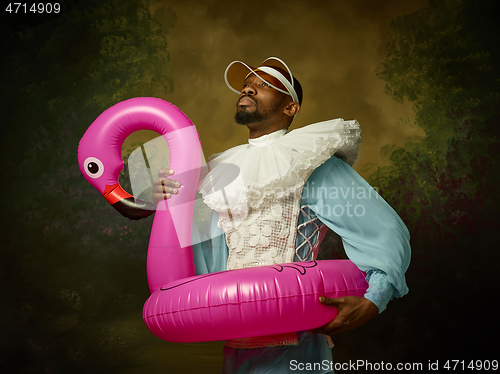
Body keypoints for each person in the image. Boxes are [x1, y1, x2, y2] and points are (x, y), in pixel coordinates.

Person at [152, 57, 410, 373]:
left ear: (291, 107)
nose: (249, 86)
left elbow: (383, 229)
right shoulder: (218, 173)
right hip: (236, 341)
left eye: (265, 84)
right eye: (248, 82)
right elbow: (204, 253)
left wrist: (374, 300)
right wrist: (172, 201)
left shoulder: (310, 162)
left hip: (296, 345)